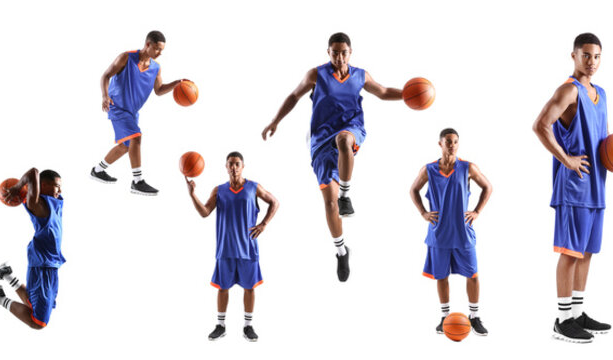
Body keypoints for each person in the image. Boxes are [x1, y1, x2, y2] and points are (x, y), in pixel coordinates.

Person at [261, 32, 404, 282]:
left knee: (344, 141)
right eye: (334, 52)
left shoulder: (360, 75)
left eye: (344, 52)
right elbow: (294, 96)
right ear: (328, 52)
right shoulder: (316, 74)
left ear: (351, 53)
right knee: (329, 203)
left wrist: (409, 94)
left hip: (350, 128)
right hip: (320, 138)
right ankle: (341, 250)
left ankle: (346, 194)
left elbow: (382, 91)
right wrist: (275, 121)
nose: (339, 57)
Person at [531, 32, 613, 344]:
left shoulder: (601, 94)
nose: (591, 62)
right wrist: (566, 159)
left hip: (596, 185)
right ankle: (562, 319)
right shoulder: (569, 90)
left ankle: (578, 312)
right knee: (570, 252)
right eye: (585, 56)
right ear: (574, 56)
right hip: (574, 188)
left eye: (596, 56)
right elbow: (540, 125)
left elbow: (604, 143)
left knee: (588, 252)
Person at [186, 152, 279, 342]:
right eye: (230, 164)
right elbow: (204, 212)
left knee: (250, 288)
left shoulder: (253, 187)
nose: (234, 167)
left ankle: (248, 326)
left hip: (248, 247)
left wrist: (263, 224)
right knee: (222, 288)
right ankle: (220, 325)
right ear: (226, 167)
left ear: (243, 166)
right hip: (225, 248)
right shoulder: (219, 190)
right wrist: (192, 194)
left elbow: (274, 202)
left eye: (237, 164)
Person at [408, 128, 492, 336]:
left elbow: (488, 187)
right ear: (440, 144)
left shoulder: (468, 167)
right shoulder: (429, 169)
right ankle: (445, 317)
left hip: (463, 232)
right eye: (448, 141)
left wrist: (477, 211)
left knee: (472, 274)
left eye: (455, 141)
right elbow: (413, 190)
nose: (452, 145)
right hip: (439, 233)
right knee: (441, 275)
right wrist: (423, 213)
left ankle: (474, 317)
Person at [89, 30, 188, 196]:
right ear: (147, 44)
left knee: (125, 146)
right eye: (157, 49)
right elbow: (105, 76)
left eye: (162, 50)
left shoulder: (156, 67)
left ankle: (98, 170)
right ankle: (138, 181)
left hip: (132, 112)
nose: (159, 53)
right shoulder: (126, 58)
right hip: (117, 106)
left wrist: (176, 84)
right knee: (136, 137)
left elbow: (159, 90)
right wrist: (105, 96)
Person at [0, 168, 64, 330]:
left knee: (37, 303)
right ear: (42, 185)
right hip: (43, 265)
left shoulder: (54, 201)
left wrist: (52, 190)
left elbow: (41, 181)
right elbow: (34, 172)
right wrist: (18, 187)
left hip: (52, 264)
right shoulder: (37, 204)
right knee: (39, 322)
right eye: (57, 186)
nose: (60, 190)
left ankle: (7, 275)